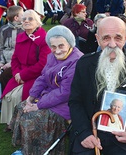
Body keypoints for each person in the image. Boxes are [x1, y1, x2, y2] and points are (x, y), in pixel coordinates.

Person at [68, 16, 126, 155]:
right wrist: (84, 133)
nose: (112, 44)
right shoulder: (84, 64)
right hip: (90, 132)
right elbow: (75, 102)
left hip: (124, 136)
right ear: (97, 38)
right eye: (106, 38)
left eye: (118, 38)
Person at [10, 25, 83, 155]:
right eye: (53, 46)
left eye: (61, 45)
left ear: (70, 44)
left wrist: (38, 105)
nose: (57, 50)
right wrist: (31, 96)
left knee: (33, 118)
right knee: (21, 108)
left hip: (67, 103)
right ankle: (26, 148)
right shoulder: (52, 57)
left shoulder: (76, 61)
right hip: (51, 97)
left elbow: (65, 92)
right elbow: (43, 77)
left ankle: (39, 151)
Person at [0, 10, 51, 131]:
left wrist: (23, 75)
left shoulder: (44, 39)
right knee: (8, 95)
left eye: (30, 19)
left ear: (37, 22)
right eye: (24, 19)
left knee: (17, 96)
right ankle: (10, 122)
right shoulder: (21, 37)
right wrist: (17, 73)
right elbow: (15, 58)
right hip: (19, 74)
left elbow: (43, 64)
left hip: (36, 76)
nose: (26, 21)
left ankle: (19, 124)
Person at [0, 6, 24, 112]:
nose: (24, 16)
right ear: (16, 18)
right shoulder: (3, 30)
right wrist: (0, 62)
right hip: (5, 62)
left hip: (19, 63)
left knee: (5, 75)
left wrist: (11, 63)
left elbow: (24, 51)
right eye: (22, 14)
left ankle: (8, 101)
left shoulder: (25, 30)